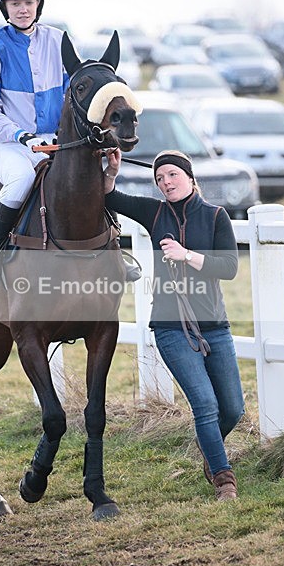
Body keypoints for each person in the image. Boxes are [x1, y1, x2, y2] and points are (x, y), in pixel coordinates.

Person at [104, 149, 245, 500]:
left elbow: (228, 267)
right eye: (159, 178)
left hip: (214, 325)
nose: (166, 182)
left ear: (190, 177)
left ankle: (209, 450)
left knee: (232, 409)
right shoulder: (154, 213)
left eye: (172, 175)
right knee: (206, 406)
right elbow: (109, 196)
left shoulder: (216, 216)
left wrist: (187, 255)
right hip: (171, 327)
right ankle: (224, 479)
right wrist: (112, 169)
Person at [0, 0, 68, 287]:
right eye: (15, 3)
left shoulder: (59, 41)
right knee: (22, 179)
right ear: (4, 7)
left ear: (39, 4)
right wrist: (20, 135)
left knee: (88, 176)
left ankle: (113, 247)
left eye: (29, 1)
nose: (23, 9)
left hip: (57, 144)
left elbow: (73, 95)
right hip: (14, 147)